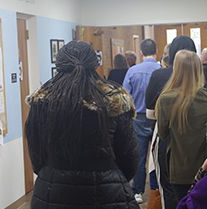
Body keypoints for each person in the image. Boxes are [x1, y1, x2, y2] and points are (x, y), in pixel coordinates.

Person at [25, 40, 140, 209]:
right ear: (94, 64)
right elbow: (130, 158)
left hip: (52, 191)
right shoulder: (115, 100)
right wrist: (111, 177)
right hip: (109, 192)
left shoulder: (41, 101)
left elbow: (36, 156)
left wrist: (54, 173)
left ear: (59, 65)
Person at [146, 35, 198, 209]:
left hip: (168, 143)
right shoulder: (204, 76)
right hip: (200, 143)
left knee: (168, 190)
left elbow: (149, 113)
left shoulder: (159, 75)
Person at [156, 49, 207, 202]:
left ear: (176, 69)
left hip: (179, 168)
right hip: (206, 166)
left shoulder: (166, 99)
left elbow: (162, 134)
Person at [123, 38, 161, 204]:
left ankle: (137, 191)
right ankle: (155, 188)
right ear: (156, 51)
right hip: (159, 117)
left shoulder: (132, 71)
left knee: (139, 156)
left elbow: (125, 97)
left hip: (138, 118)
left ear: (140, 52)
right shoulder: (162, 69)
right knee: (157, 155)